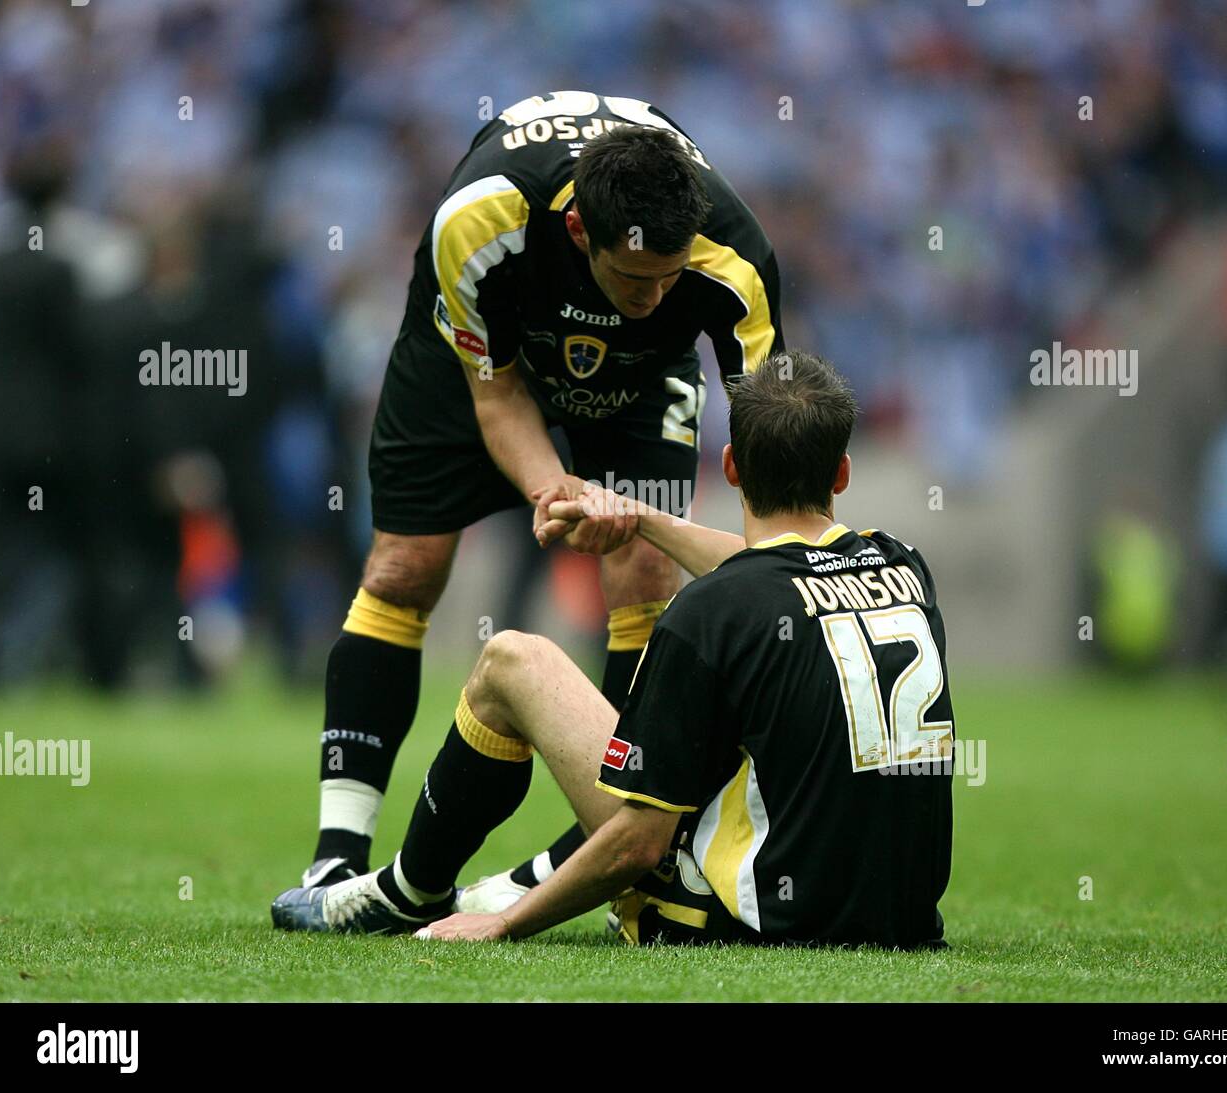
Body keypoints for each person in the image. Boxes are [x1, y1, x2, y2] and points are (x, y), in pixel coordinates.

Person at [273, 351, 954, 949]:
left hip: (747, 919)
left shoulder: (712, 610)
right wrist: (645, 519)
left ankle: (405, 891)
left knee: (513, 660)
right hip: (897, 915)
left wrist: (508, 922)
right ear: (841, 472)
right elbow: (778, 570)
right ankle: (465, 883)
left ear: (731, 465)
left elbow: (640, 842)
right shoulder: (906, 566)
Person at [303, 91, 784, 898]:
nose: (655, 298)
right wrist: (552, 488)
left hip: (642, 380)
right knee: (402, 569)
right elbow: (496, 399)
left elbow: (771, 453)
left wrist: (765, 579)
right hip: (479, 356)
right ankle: (336, 853)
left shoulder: (733, 260)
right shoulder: (479, 220)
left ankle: (618, 842)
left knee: (644, 576)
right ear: (576, 233)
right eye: (635, 279)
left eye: (672, 279)